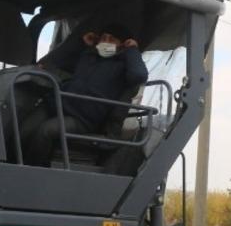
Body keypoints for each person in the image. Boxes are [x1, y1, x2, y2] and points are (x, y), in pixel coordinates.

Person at [21, 23, 148, 165]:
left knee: (45, 131)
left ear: (122, 44)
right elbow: (59, 61)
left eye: (112, 39)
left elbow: (139, 76)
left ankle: (32, 173)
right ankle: (12, 165)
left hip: (82, 119)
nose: (106, 42)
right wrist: (82, 43)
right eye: (103, 38)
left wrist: (132, 50)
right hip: (56, 105)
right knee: (24, 129)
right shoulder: (88, 56)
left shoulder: (123, 66)